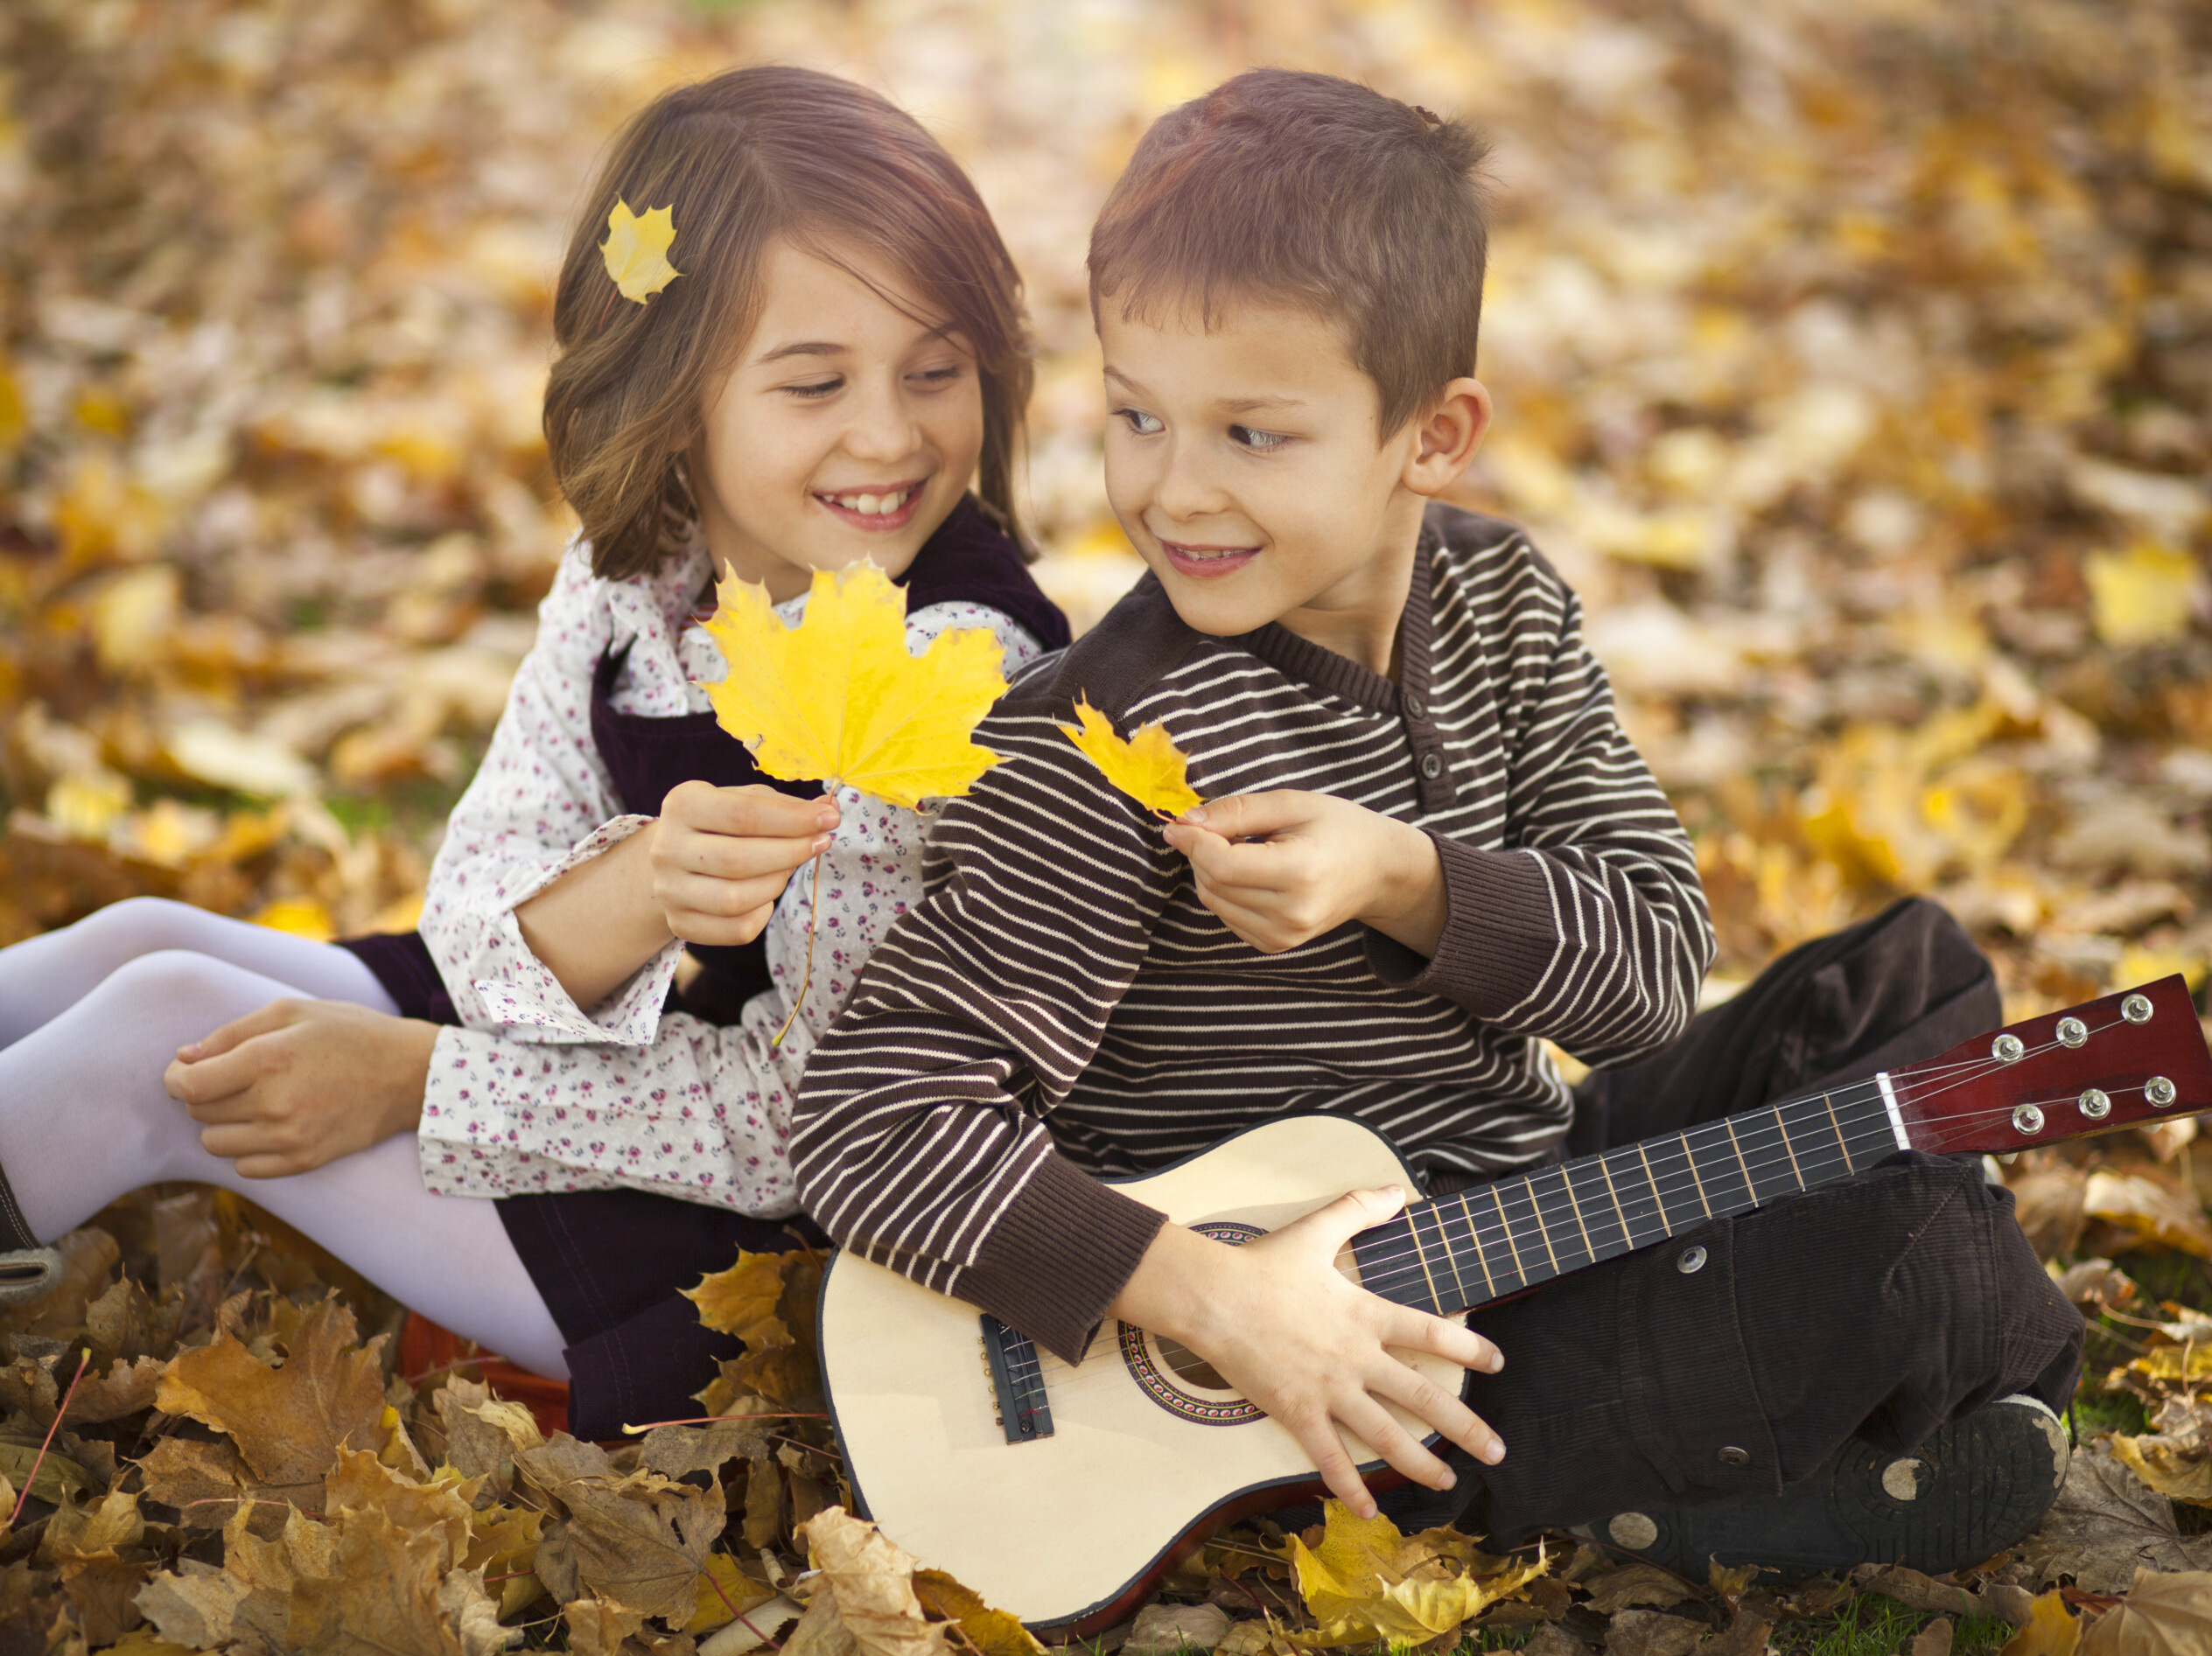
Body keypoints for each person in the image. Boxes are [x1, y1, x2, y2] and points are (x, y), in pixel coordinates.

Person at [791, 68, 2082, 1576]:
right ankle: (1760, 1439)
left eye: (1252, 435)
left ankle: (1824, 1330)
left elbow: (1652, 986)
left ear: (1434, 432)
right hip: (1361, 1348)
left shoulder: (1506, 607)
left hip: (1520, 1178)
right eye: (1135, 414)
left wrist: (1412, 882)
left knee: (1909, 982)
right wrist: (1222, 1306)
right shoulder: (1103, 751)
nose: (1171, 487)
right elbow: (873, 1123)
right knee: (1915, 1251)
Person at [0, 66, 1068, 1438]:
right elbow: (472, 906)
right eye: (816, 383)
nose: (893, 432)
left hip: (783, 1254)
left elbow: (817, 1120)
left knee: (164, 1040)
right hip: (610, 1075)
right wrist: (626, 898)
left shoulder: (948, 675)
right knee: (133, 942)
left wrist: (419, 1080)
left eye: (938, 370)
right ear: (677, 401)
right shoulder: (647, 582)